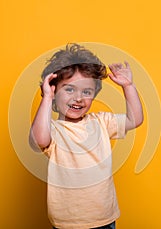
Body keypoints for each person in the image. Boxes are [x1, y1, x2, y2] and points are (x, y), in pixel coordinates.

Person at [30, 43, 143, 229]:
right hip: (67, 223)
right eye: (69, 89)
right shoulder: (53, 130)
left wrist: (128, 86)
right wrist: (46, 97)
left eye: (87, 92)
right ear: (53, 90)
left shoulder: (101, 122)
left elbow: (135, 119)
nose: (79, 98)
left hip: (104, 219)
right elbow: (39, 140)